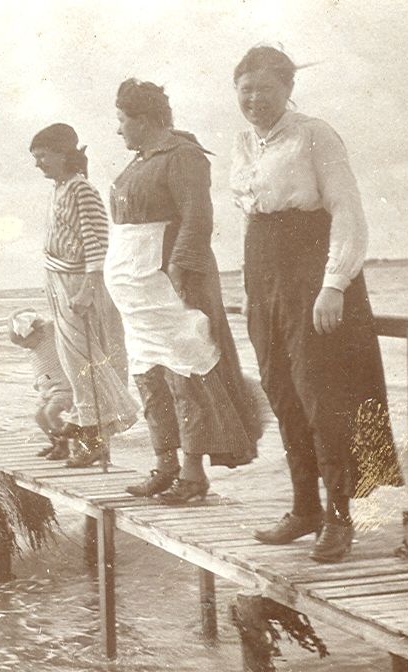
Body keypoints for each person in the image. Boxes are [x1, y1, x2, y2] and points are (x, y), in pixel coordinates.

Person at [230, 46, 403, 563]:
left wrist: (334, 284)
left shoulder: (314, 134)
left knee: (322, 397)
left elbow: (347, 211)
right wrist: (249, 289)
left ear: (287, 89)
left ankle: (339, 519)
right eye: (245, 90)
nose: (254, 99)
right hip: (265, 277)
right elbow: (250, 219)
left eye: (264, 88)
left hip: (312, 271)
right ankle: (304, 508)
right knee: (281, 392)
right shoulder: (243, 144)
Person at [107, 79, 262, 504]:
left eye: (121, 120)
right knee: (149, 375)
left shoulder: (184, 155)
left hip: (169, 286)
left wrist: (179, 270)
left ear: (143, 119)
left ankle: (193, 476)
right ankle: (165, 465)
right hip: (138, 297)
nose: (117, 129)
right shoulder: (139, 161)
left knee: (185, 374)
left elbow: (197, 218)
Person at [28, 123, 138, 467]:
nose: (38, 164)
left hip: (80, 287)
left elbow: (97, 242)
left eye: (43, 156)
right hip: (62, 286)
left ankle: (96, 444)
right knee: (74, 367)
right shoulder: (60, 189)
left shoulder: (81, 189)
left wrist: (89, 290)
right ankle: (79, 440)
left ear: (63, 155)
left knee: (88, 366)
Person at [8, 308, 74, 460]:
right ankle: (56, 442)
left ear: (37, 331)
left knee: (50, 413)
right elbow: (39, 368)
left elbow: (57, 321)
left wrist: (22, 315)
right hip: (48, 389)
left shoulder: (49, 334)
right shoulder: (32, 348)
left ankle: (64, 446)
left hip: (64, 387)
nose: (24, 346)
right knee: (39, 417)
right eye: (20, 344)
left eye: (24, 341)